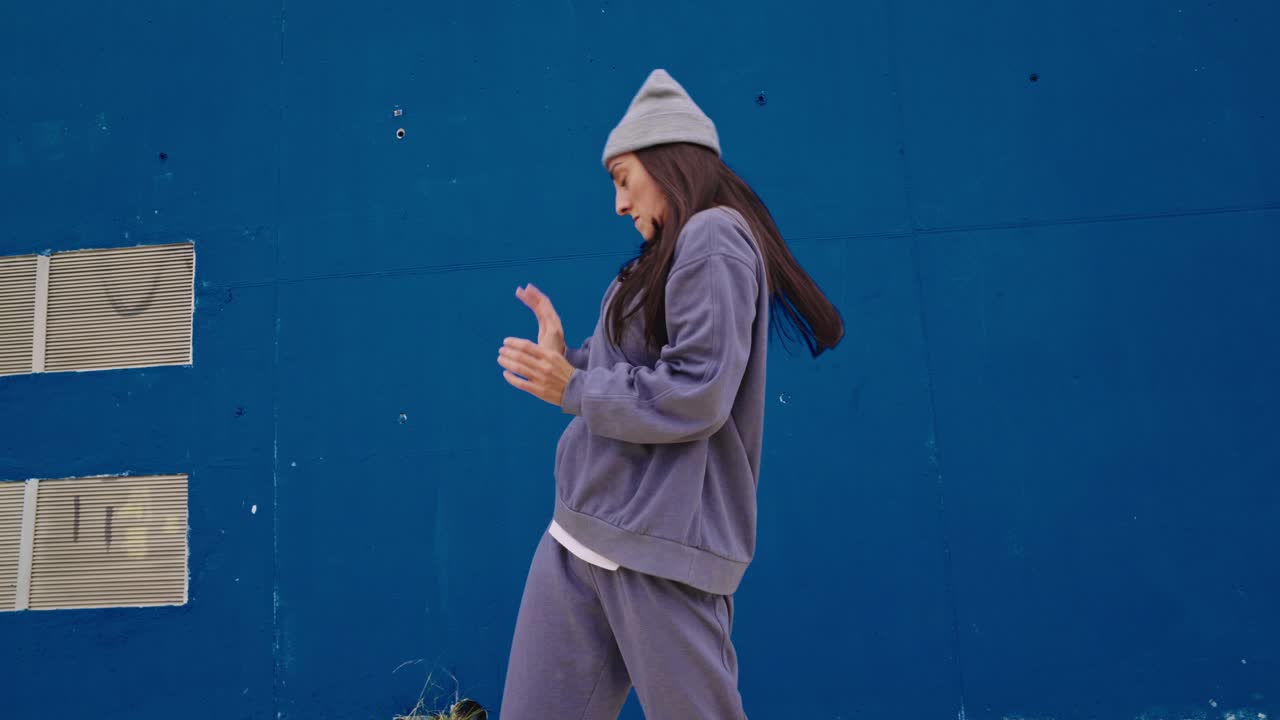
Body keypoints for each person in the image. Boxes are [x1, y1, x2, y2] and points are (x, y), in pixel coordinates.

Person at [496, 68, 843, 719]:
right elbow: (635, 371)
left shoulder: (714, 239)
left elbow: (696, 391)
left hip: (659, 553)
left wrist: (573, 386)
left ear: (668, 164)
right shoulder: (669, 252)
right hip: (581, 533)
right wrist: (565, 362)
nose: (619, 205)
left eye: (624, 179)